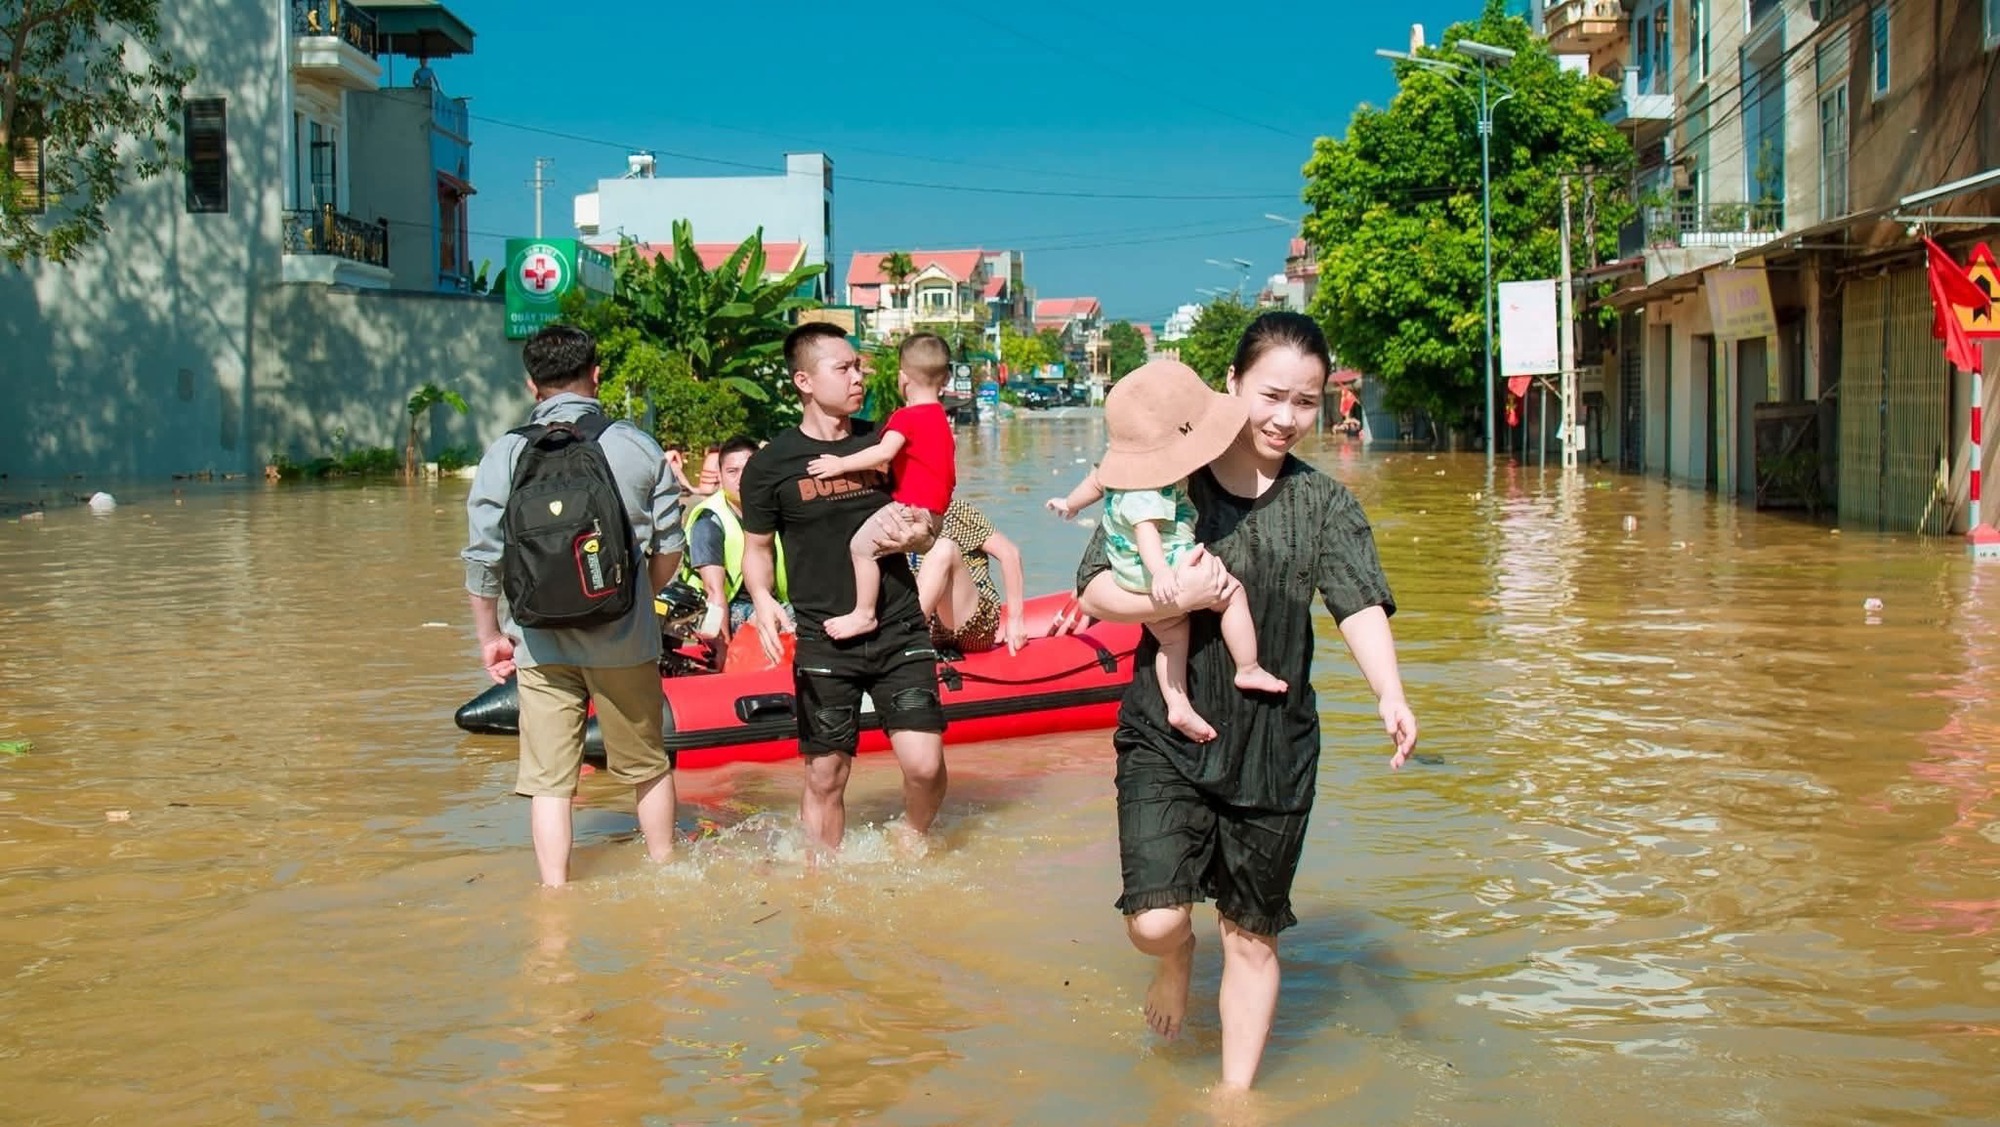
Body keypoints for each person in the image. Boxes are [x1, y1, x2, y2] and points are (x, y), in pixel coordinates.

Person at [1062, 311, 1418, 1092]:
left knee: (1253, 936)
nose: (1287, 417)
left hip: (1274, 744)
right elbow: (1091, 588)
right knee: (1154, 919)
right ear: (1231, 385)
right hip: (1169, 728)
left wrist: (1391, 692)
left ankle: (1233, 1098)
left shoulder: (1324, 504)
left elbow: (1356, 602)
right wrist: (1172, 590)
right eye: (1272, 395)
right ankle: (1178, 956)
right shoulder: (1165, 474)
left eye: (1307, 401)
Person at [461, 324, 685, 888]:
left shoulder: (505, 453)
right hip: (624, 638)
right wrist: (638, 600)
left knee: (549, 782)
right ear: (596, 374)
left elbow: (483, 559)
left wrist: (492, 635)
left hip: (539, 641)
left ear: (532, 383)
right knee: (647, 765)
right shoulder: (635, 446)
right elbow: (669, 549)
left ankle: (554, 897)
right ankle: (664, 876)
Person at [738, 322, 947, 853]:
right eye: (844, 368)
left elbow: (934, 509)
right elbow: (758, 548)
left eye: (860, 366)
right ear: (804, 381)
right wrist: (761, 599)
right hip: (823, 634)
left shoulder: (885, 441)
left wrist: (928, 530)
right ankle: (822, 881)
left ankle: (911, 836)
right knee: (826, 774)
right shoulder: (770, 465)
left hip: (899, 624)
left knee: (925, 765)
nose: (859, 377)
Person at [1047, 361, 1287, 742]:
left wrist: (1071, 504)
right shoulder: (1151, 485)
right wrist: (1162, 574)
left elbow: (1095, 480)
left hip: (1127, 572)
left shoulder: (1118, 469)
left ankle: (1178, 706)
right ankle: (1248, 666)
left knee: (1173, 639)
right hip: (1166, 565)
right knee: (1232, 594)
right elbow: (1147, 532)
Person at [804, 332, 957, 641]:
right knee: (883, 551)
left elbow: (884, 453)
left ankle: (864, 614)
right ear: (946, 378)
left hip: (908, 510)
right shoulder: (941, 418)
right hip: (934, 516)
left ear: (903, 378)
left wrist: (840, 464)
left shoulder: (906, 417)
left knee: (860, 548)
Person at [682, 434, 790, 649]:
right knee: (781, 618)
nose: (742, 478)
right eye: (732, 472)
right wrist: (722, 648)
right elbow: (713, 591)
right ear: (720, 478)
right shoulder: (709, 520)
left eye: (749, 469)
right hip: (722, 610)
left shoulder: (776, 508)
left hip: (769, 601)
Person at [911, 499, 1027, 656]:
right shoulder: (892, 516)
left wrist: (1015, 620)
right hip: (929, 629)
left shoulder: (953, 510)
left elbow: (1010, 553)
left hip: (970, 623)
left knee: (943, 549)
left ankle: (901, 640)